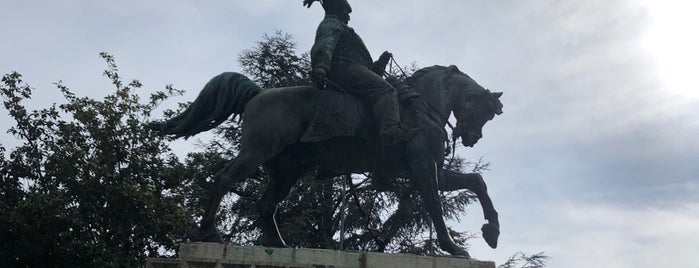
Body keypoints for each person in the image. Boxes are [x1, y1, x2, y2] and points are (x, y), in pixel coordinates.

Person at [303, 0, 417, 144]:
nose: (349, 17)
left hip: (352, 69)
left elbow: (368, 71)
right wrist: (321, 66)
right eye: (346, 12)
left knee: (392, 80)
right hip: (343, 69)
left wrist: (381, 63)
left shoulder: (343, 28)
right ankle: (390, 130)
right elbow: (324, 45)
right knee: (386, 90)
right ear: (337, 9)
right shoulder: (332, 24)